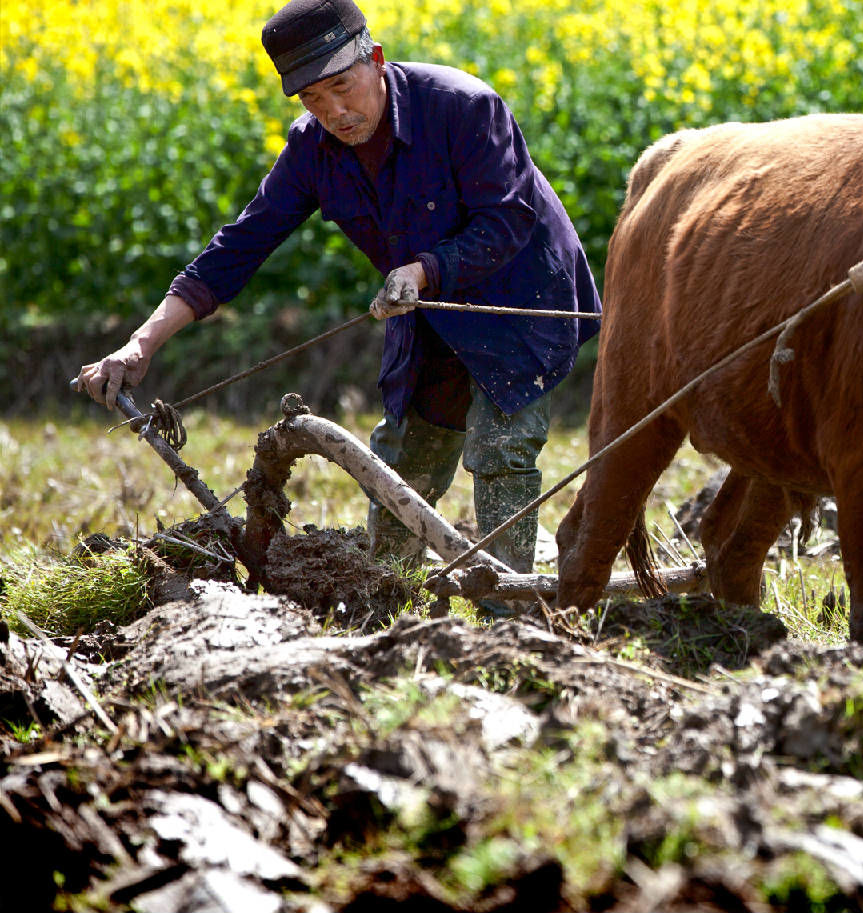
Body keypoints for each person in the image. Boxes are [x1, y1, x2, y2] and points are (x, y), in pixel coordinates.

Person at [76, 0, 601, 585]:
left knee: (502, 454)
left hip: (519, 298)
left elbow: (507, 220)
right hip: (421, 307)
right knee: (402, 460)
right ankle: (388, 597)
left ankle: (511, 610)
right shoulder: (312, 150)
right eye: (313, 101)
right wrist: (140, 346)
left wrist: (425, 270)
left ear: (375, 60)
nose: (335, 112)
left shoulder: (462, 106)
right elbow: (239, 248)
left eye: (342, 88)